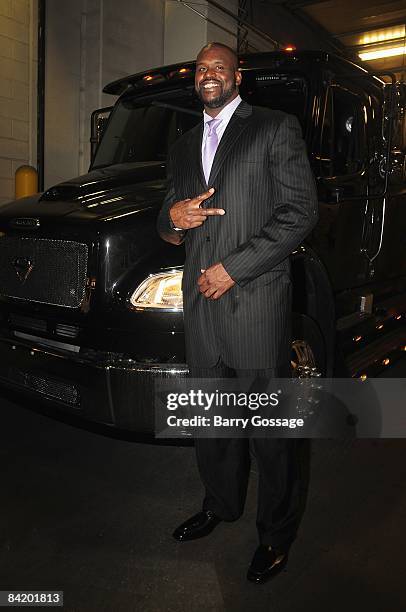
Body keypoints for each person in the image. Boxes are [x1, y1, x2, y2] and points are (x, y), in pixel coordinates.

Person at [157, 42, 318, 584]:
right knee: (211, 422)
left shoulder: (274, 127)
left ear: (236, 76)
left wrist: (234, 268)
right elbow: (167, 219)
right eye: (201, 68)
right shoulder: (181, 147)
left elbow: (300, 214)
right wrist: (174, 219)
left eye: (218, 67)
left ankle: (276, 534)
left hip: (254, 303)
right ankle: (220, 505)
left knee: (271, 433)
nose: (209, 74)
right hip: (202, 308)